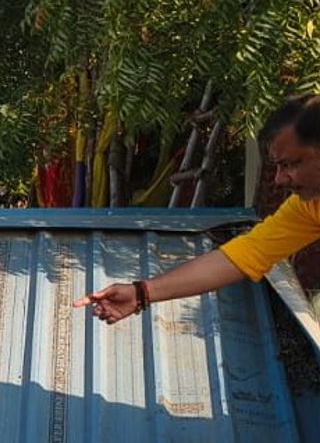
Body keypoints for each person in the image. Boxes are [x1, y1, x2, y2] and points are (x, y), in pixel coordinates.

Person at [74, 94, 320, 323]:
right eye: (278, 167)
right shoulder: (309, 208)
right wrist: (141, 293)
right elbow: (245, 254)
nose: (279, 179)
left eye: (290, 164)